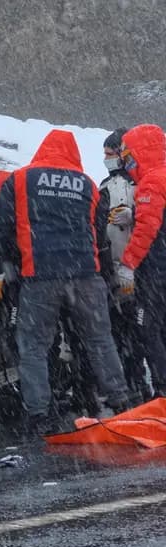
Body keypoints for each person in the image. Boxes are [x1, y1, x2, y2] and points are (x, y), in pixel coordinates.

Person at [0, 129, 131, 434]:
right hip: (85, 275)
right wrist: (105, 279)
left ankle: (39, 414)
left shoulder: (21, 179)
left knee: (34, 347)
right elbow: (100, 238)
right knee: (99, 341)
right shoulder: (88, 185)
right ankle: (121, 402)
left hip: (40, 276)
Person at [100, 128, 150, 400]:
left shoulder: (138, 183)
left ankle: (137, 385)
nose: (106, 158)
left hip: (136, 267)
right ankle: (134, 384)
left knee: (138, 332)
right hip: (121, 268)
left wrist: (134, 216)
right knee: (125, 332)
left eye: (110, 153)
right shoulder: (106, 186)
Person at [117, 124, 166, 397]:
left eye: (129, 158)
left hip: (157, 272)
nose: (128, 165)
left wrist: (128, 263)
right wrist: (136, 213)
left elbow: (149, 228)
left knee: (147, 328)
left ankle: (162, 392)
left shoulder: (152, 181)